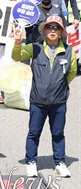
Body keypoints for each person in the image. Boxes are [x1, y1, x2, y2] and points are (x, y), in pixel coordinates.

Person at [12, 15, 76, 178]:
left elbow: (71, 72)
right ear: (45, 30)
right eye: (50, 27)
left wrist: (59, 84)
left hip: (59, 101)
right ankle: (31, 162)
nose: (53, 30)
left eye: (56, 28)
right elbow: (17, 57)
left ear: (61, 31)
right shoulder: (35, 47)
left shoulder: (69, 51)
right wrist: (18, 43)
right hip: (38, 101)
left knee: (58, 133)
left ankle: (59, 162)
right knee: (34, 132)